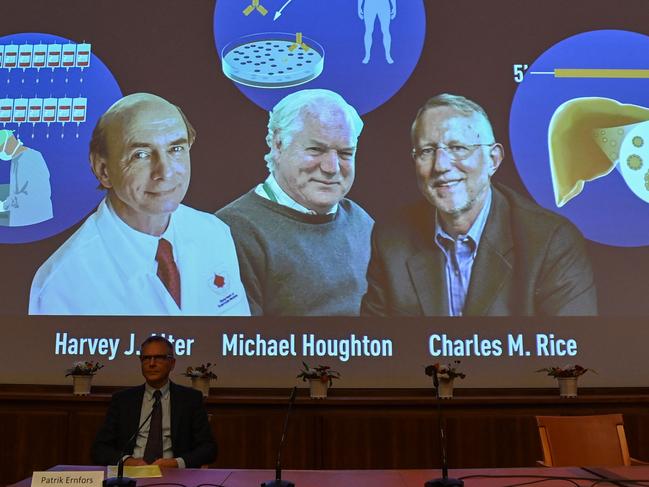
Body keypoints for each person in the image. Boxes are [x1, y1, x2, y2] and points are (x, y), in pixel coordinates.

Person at [361, 93, 598, 316]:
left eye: (458, 148)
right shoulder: (391, 239)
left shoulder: (551, 242)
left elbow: (573, 349)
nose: (441, 165)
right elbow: (379, 348)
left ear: (493, 160)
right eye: (427, 151)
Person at [29, 93, 250, 315]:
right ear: (103, 170)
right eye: (141, 155)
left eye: (176, 149)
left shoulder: (215, 233)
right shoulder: (62, 283)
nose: (165, 172)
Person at [216, 89, 373, 316]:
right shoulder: (230, 231)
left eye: (345, 153)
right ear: (278, 145)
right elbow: (237, 345)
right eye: (315, 150)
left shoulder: (361, 222)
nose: (332, 167)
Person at [91, 336, 217, 468]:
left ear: (172, 363)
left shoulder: (190, 399)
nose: (151, 363)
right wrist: (126, 461)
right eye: (146, 358)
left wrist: (176, 463)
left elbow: (208, 449)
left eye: (158, 357)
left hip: (174, 474)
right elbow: (99, 448)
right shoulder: (123, 400)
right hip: (132, 473)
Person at [0, 129, 53, 227]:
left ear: (7, 144)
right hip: (22, 217)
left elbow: (32, 193)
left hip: (36, 218)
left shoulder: (30, 158)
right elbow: (17, 189)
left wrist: (4, 205)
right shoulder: (16, 158)